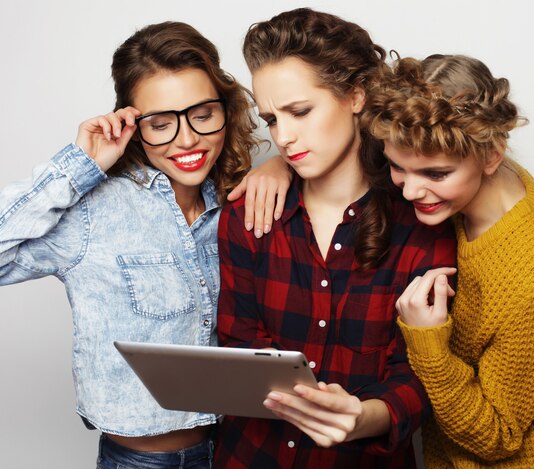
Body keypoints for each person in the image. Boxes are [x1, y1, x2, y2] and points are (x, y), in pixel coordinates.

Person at [0, 21, 290, 468]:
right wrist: (80, 165)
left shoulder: (238, 201)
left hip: (239, 451)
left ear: (225, 109)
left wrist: (282, 166)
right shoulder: (94, 211)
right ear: (131, 124)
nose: (188, 139)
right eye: (160, 123)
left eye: (202, 114)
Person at [215, 9, 457, 469]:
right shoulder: (247, 215)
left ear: (356, 95)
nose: (283, 138)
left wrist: (364, 417)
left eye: (300, 111)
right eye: (270, 119)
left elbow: (424, 373)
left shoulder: (423, 223)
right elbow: (238, 345)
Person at [363, 54, 534, 467]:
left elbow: (497, 436)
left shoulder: (529, 269)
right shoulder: (482, 182)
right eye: (398, 167)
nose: (409, 192)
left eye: (436, 174)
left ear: (492, 155)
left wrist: (427, 342)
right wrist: (276, 167)